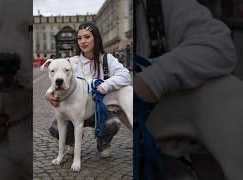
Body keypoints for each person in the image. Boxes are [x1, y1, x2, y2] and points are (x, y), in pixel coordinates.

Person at [134, 0, 236, 179]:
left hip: (155, 113)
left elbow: (219, 44)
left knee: (223, 89)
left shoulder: (162, 5)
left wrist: (151, 81)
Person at [46, 22, 131, 158]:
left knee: (113, 123)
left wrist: (105, 86)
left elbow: (126, 76)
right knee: (55, 128)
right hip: (75, 110)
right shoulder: (72, 62)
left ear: (95, 38)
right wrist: (48, 94)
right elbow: (58, 78)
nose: (83, 41)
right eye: (79, 38)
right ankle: (72, 142)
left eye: (87, 37)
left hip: (100, 110)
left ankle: (103, 143)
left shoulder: (107, 60)